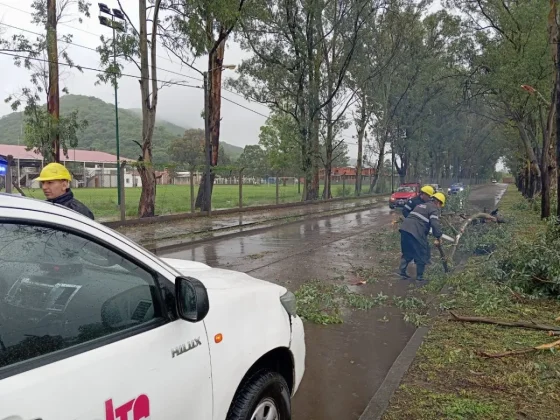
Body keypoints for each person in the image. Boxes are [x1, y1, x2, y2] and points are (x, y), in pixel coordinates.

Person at [398, 192, 446, 280]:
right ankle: (420, 277)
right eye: (440, 205)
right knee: (422, 253)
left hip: (404, 229)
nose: (440, 208)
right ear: (438, 203)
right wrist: (438, 236)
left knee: (407, 252)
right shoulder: (434, 208)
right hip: (416, 232)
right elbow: (435, 224)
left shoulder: (420, 205)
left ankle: (402, 272)